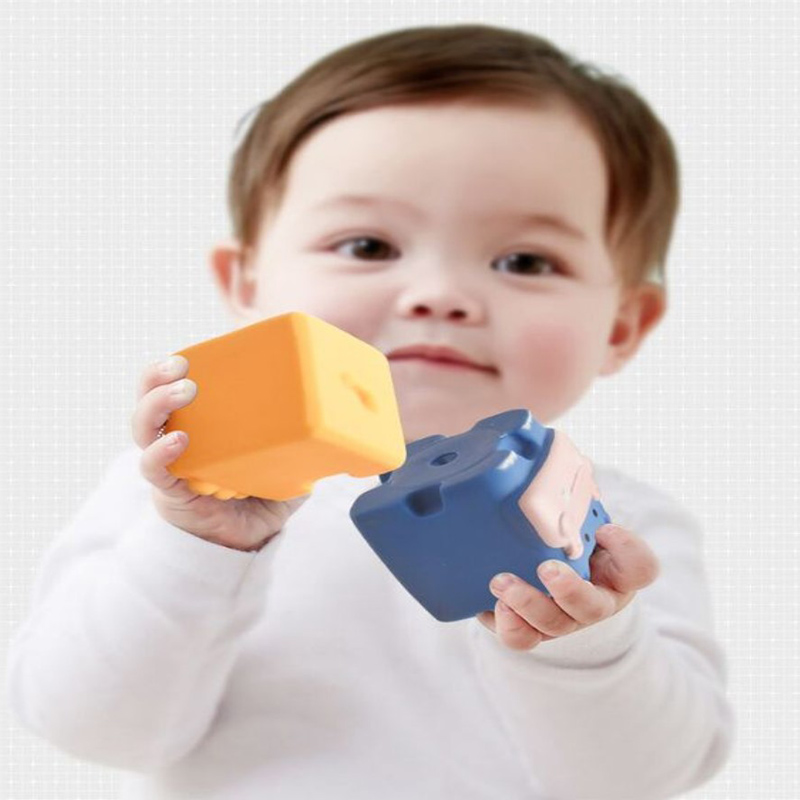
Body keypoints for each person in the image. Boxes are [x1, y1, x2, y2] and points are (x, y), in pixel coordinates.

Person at [5, 23, 735, 800]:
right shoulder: (180, 490)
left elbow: (650, 778)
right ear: (247, 285)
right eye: (367, 246)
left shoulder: (621, 532)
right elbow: (89, 729)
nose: (439, 295)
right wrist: (198, 548)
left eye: (525, 261)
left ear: (622, 326)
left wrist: (586, 639)